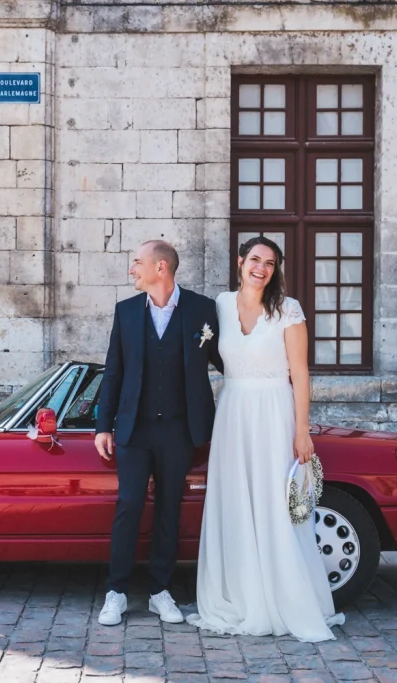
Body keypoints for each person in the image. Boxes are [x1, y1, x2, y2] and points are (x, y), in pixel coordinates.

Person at [187, 236, 345, 642]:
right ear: (240, 261)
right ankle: (238, 596)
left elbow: (301, 375)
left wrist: (302, 430)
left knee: (276, 505)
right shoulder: (220, 305)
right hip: (233, 410)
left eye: (270, 263)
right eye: (255, 259)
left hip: (274, 411)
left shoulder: (287, 310)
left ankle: (282, 598)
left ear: (276, 270)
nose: (261, 268)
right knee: (236, 500)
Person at [94, 240, 224, 626]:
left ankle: (159, 592)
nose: (132, 270)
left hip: (180, 430)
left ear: (161, 267)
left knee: (169, 508)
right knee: (130, 505)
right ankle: (115, 592)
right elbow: (114, 371)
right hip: (134, 428)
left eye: (137, 262)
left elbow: (224, 359)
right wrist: (103, 425)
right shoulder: (127, 311)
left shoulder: (203, 309)